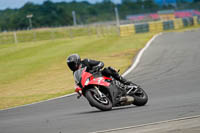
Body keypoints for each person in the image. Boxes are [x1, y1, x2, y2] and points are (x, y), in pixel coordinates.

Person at [66, 53, 132, 93]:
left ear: (77, 61)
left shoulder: (86, 62)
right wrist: (78, 88)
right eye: (70, 65)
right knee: (90, 101)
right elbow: (78, 81)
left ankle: (124, 81)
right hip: (90, 83)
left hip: (98, 75)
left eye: (72, 64)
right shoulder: (75, 72)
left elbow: (100, 63)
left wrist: (97, 67)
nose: (71, 66)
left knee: (108, 69)